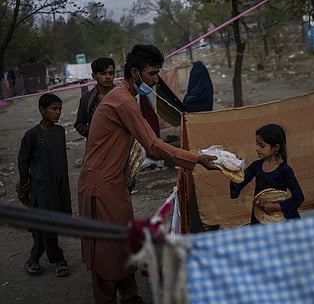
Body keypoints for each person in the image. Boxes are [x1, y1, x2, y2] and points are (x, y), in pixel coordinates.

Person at [77, 44, 217, 304]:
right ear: (134, 73)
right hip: (100, 186)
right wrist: (195, 159)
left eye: (157, 73)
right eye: (152, 74)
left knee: (123, 242)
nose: (156, 79)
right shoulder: (123, 101)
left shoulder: (127, 97)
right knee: (106, 253)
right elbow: (152, 145)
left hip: (116, 183)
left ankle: (130, 296)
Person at [17, 93, 72, 277]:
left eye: (60, 109)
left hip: (59, 185)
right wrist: (24, 187)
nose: (58, 113)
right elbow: (23, 162)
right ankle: (58, 260)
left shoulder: (60, 131)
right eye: (54, 109)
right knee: (47, 226)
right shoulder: (32, 135)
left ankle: (33, 259)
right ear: (42, 110)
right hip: (42, 188)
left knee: (46, 226)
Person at [230, 123, 304, 225]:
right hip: (260, 216)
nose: (257, 148)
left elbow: (299, 197)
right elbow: (240, 182)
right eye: (257, 144)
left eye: (262, 146)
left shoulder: (285, 170)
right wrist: (234, 171)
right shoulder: (256, 166)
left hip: (279, 218)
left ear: (276, 147)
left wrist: (277, 206)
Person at [74, 57, 116, 138]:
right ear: (94, 76)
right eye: (103, 73)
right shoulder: (86, 99)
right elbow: (79, 124)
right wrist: (95, 132)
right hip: (97, 145)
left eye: (111, 73)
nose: (108, 77)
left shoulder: (122, 96)